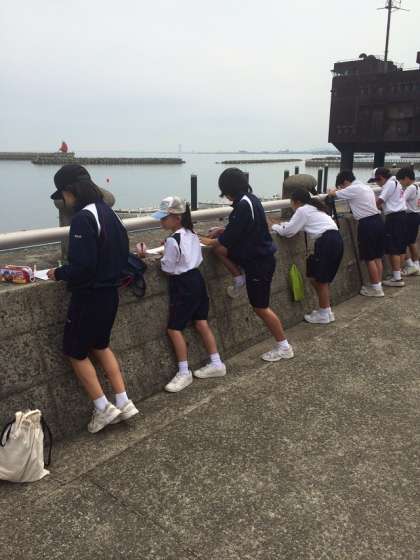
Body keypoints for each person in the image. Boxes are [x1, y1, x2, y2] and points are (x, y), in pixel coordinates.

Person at [47, 165, 138, 433]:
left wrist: (58, 273)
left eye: (63, 195)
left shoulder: (83, 218)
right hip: (110, 293)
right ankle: (123, 401)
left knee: (74, 352)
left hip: (89, 295)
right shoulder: (109, 213)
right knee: (101, 345)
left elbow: (83, 267)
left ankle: (102, 407)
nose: (64, 201)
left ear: (70, 191)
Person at [199, 168, 293, 362]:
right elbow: (241, 228)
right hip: (256, 257)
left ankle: (284, 346)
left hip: (258, 262)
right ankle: (239, 278)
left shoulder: (243, 204)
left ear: (228, 189)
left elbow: (224, 240)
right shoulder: (250, 199)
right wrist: (222, 230)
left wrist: (199, 239)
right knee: (219, 251)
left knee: (260, 307)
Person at [146, 196, 226, 393]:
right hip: (197, 279)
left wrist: (154, 255)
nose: (161, 221)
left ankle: (184, 372)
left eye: (165, 217)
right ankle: (216, 362)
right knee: (201, 322)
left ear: (177, 218)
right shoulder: (192, 234)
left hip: (182, 285)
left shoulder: (173, 240)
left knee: (174, 328)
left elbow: (168, 268)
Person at [272, 188, 344, 325]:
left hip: (326, 242)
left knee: (319, 280)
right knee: (320, 279)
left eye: (291, 202)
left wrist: (275, 227)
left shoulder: (302, 210)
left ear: (297, 202)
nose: (291, 205)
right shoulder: (315, 208)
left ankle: (324, 314)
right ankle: (327, 311)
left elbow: (288, 232)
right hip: (336, 240)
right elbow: (297, 226)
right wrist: (284, 225)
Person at [329, 170, 385, 297]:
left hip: (367, 224)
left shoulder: (352, 188)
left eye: (342, 186)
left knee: (369, 258)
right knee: (377, 256)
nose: (342, 188)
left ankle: (376, 289)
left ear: (345, 181)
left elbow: (333, 194)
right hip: (378, 220)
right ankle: (378, 285)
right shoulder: (365, 187)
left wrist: (333, 190)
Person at [371, 167, 407, 287]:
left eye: (377, 180)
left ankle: (397, 279)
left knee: (393, 248)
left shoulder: (389, 184)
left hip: (394, 218)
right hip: (401, 215)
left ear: (381, 178)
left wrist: (370, 208)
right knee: (399, 247)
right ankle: (398, 274)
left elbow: (380, 201)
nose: (377, 183)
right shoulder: (396, 182)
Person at [396, 167, 420, 276]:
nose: (400, 183)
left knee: (406, 242)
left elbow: (401, 200)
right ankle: (415, 265)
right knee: (411, 241)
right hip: (416, 215)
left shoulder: (410, 188)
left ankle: (413, 265)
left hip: (410, 216)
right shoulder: (417, 186)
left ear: (406, 178)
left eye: (401, 180)